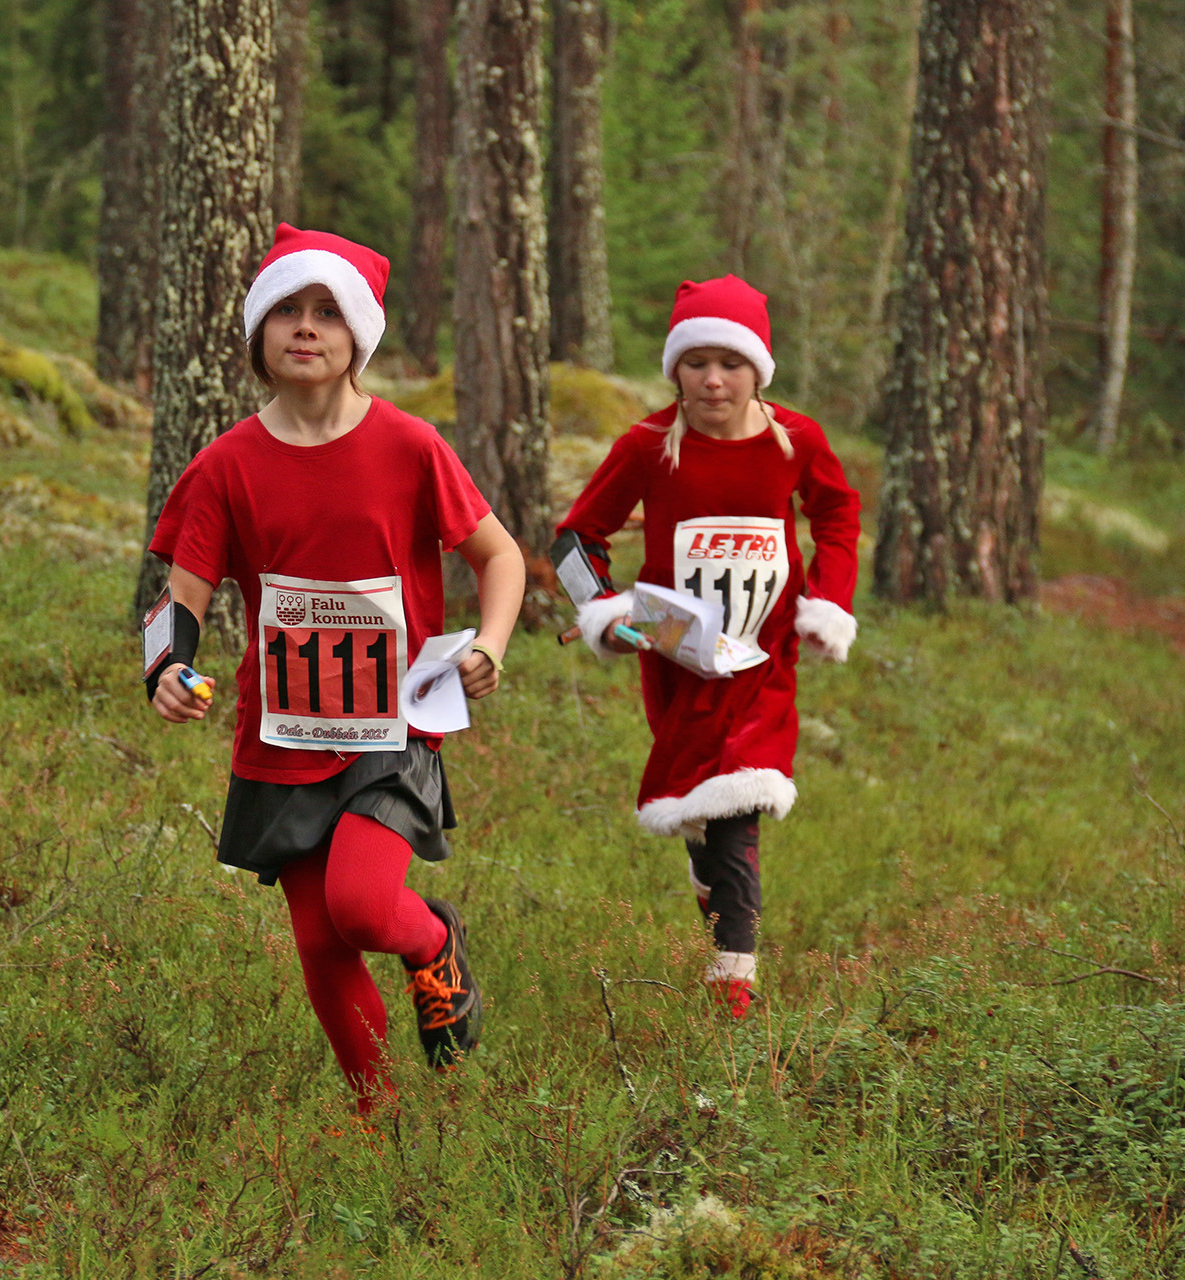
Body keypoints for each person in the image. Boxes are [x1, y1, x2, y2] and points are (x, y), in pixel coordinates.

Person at [144, 224, 526, 1112]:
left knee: (361, 903)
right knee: (321, 941)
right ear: (257, 337)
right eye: (285, 311)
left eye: (326, 312)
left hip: (395, 722)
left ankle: (433, 941)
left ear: (359, 336)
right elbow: (181, 598)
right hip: (283, 732)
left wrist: (489, 644)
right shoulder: (226, 465)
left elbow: (499, 557)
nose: (305, 328)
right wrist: (167, 668)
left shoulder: (408, 447)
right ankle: (376, 1115)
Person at [556, 276, 860, 1018]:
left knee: (741, 800)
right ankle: (703, 863)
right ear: (675, 370)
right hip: (677, 655)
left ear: (759, 368)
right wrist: (604, 612)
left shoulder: (796, 441)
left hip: (765, 656)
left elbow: (838, 514)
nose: (714, 379)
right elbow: (575, 538)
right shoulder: (647, 446)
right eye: (696, 363)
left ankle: (735, 998)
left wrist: (828, 601)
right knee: (704, 807)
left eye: (731, 362)